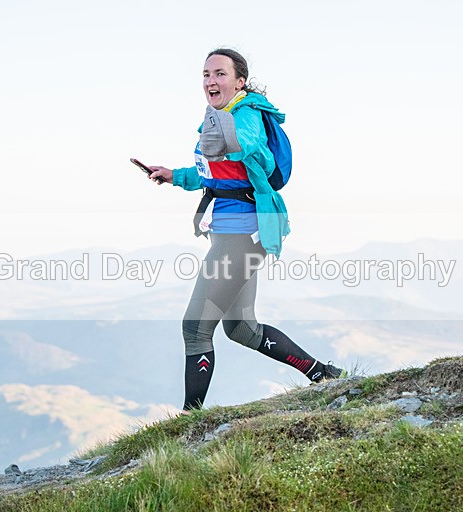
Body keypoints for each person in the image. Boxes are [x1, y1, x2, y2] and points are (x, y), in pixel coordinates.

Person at [148, 48, 346, 411]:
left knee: (195, 328)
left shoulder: (245, 114)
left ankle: (188, 422)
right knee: (241, 328)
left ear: (240, 81)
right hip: (231, 232)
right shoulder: (218, 117)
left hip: (243, 234)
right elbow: (213, 175)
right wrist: (174, 176)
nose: (211, 80)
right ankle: (322, 374)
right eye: (206, 74)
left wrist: (228, 133)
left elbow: (251, 147)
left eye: (220, 74)